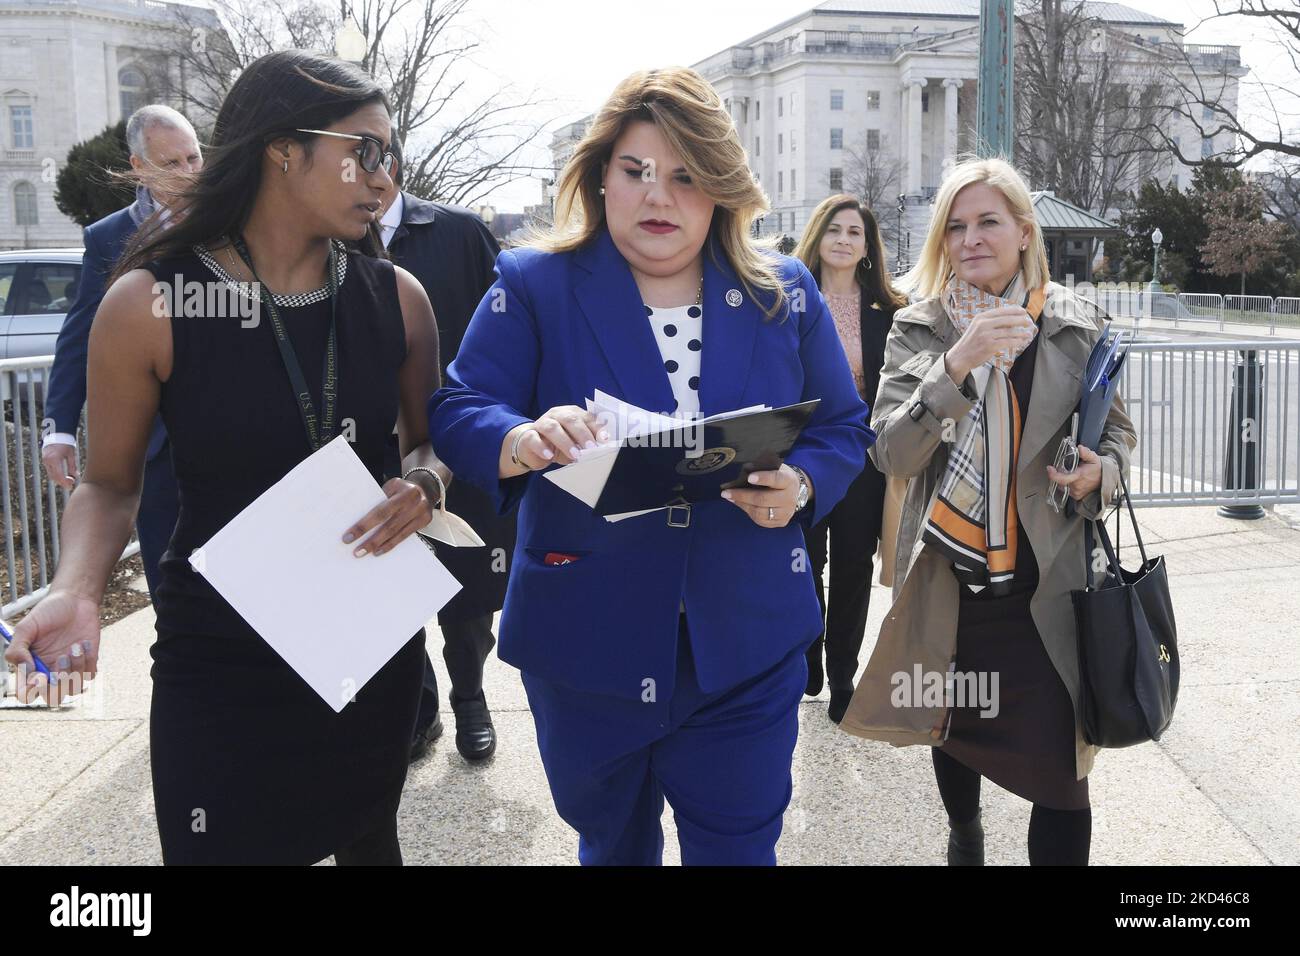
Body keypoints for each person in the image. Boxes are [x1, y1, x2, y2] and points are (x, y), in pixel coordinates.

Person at [5, 50, 446, 865]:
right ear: (284, 149)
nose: (386, 178)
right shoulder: (150, 303)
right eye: (368, 151)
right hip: (220, 658)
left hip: (365, 640)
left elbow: (428, 442)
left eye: (393, 156)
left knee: (368, 842)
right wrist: (75, 590)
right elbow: (108, 482)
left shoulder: (399, 298)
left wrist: (424, 480)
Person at [427, 67, 873, 866]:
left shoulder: (785, 292)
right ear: (601, 179)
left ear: (721, 191)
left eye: (685, 176)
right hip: (586, 644)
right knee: (612, 850)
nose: (657, 196)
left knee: (738, 852)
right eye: (635, 172)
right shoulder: (534, 285)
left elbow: (842, 427)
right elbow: (460, 407)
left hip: (744, 644)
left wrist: (801, 485)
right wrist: (524, 437)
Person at [838, 157, 1137, 866]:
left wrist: (1107, 471)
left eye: (988, 222)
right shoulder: (921, 328)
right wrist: (956, 367)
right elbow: (890, 453)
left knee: (1065, 780)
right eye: (956, 226)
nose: (970, 239)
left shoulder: (1076, 323)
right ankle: (965, 837)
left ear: (1025, 233)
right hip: (958, 586)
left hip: (1052, 587)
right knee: (958, 731)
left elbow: (1119, 433)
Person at [376, 133, 512, 762]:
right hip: (372, 448)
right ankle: (420, 705)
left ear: (392, 166)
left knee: (465, 589)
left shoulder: (459, 233)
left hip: (455, 441)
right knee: (390, 581)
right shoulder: (323, 238)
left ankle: (471, 698)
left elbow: (510, 330)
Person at [42, 105, 203, 598]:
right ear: (138, 167)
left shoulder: (238, 220)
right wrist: (59, 427)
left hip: (232, 430)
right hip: (153, 450)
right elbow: (80, 332)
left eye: (194, 158)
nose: (189, 173)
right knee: (170, 583)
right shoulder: (109, 237)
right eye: (171, 164)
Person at [792, 195, 906, 723]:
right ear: (818, 236)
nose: (843, 239)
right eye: (834, 230)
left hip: (863, 456)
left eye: (854, 233)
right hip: (803, 455)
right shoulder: (786, 300)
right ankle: (808, 655)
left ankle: (843, 676)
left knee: (855, 566)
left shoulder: (890, 310)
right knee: (805, 562)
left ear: (867, 247)